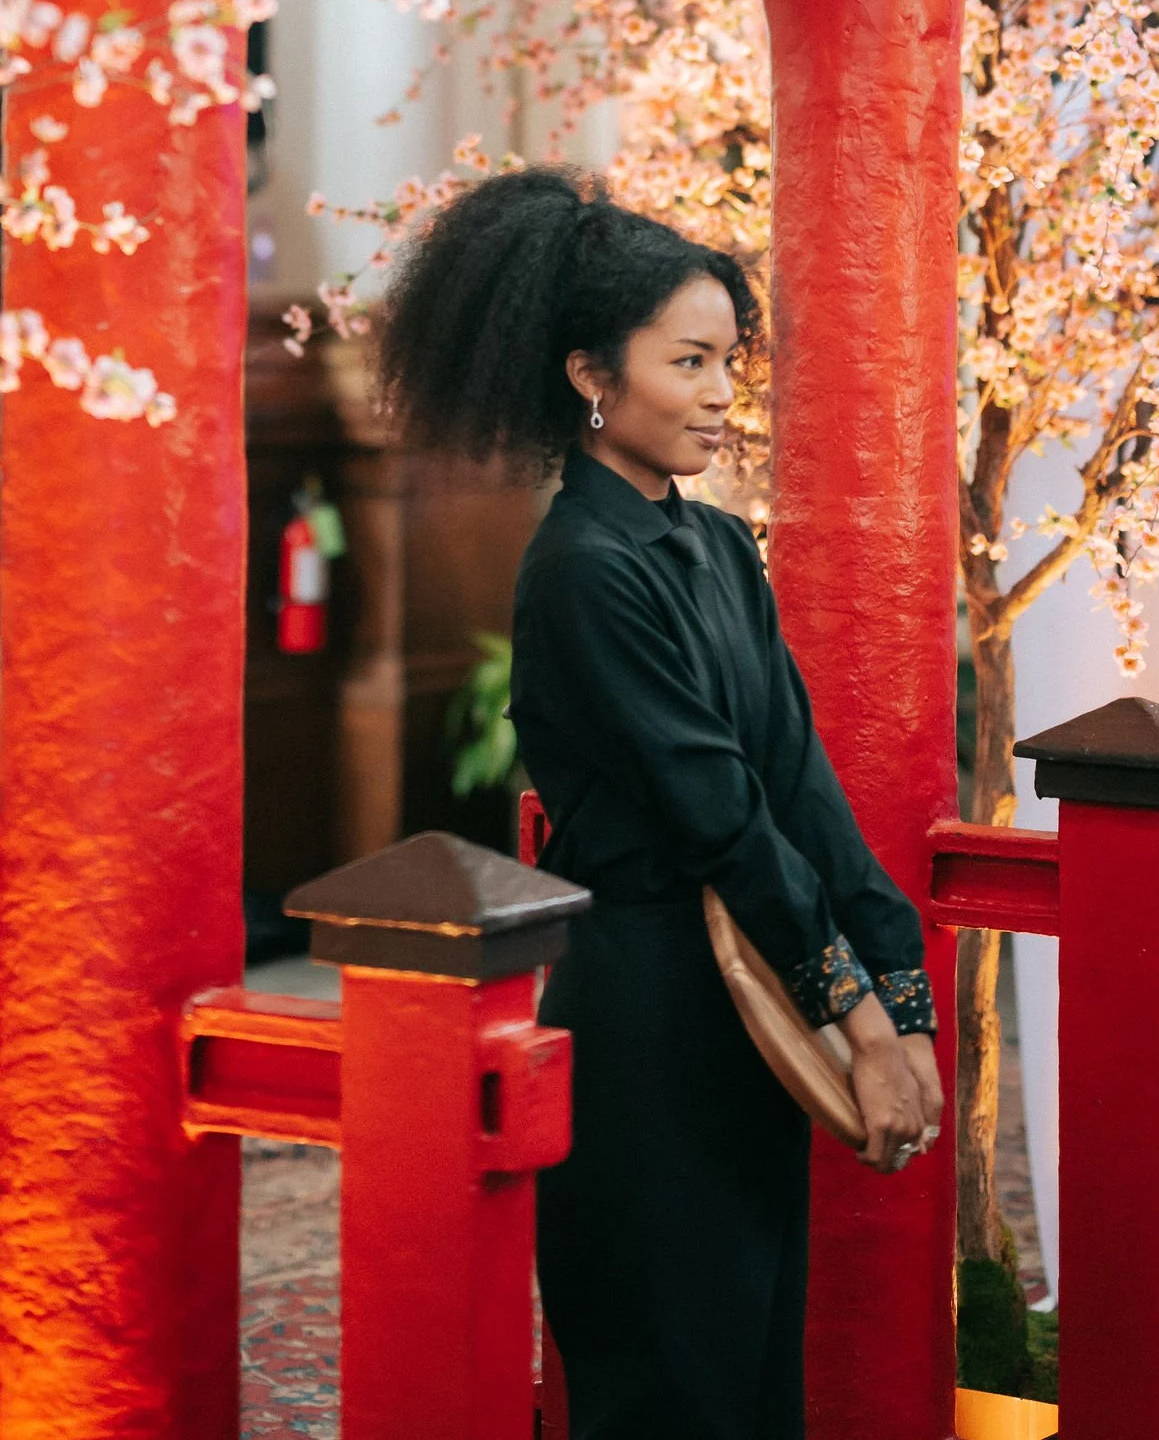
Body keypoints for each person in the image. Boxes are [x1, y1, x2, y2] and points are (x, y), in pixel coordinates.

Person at [379, 166, 942, 1440]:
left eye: (728, 362)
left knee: (753, 1380)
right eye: (688, 361)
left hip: (748, 1017)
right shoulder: (579, 570)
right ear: (591, 374)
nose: (719, 393)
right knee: (665, 1388)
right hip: (647, 1021)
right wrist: (851, 1019)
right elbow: (717, 816)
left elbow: (797, 781)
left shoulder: (717, 546)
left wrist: (899, 999)